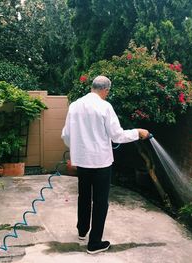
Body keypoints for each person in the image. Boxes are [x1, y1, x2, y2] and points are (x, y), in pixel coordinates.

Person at [61, 75, 150, 254]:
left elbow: (66, 135)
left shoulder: (75, 106)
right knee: (100, 201)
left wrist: (78, 151)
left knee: (84, 196)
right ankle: (94, 243)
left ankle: (82, 230)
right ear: (106, 90)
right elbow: (117, 135)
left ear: (92, 87)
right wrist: (137, 132)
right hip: (101, 162)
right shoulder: (105, 106)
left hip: (83, 162)